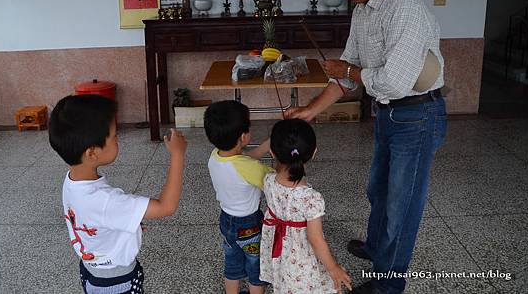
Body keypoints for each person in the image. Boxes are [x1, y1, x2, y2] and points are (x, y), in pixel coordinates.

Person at [287, 0, 448, 294]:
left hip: (417, 116)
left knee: (401, 206)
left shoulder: (404, 6)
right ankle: (376, 249)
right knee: (378, 189)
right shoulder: (362, 11)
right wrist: (311, 111)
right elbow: (349, 72)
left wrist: (347, 71)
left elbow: (388, 81)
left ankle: (388, 285)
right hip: (388, 115)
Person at [48, 94, 187, 294]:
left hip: (91, 271)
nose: (117, 139)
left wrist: (125, 229)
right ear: (92, 152)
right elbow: (167, 207)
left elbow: (94, 220)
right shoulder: (106, 201)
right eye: (114, 136)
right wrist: (177, 154)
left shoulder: (71, 181)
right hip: (117, 281)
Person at [259, 118, 352, 294]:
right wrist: (333, 268)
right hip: (300, 258)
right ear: (314, 152)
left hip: (280, 253)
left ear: (272, 152)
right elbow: (316, 239)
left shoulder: (268, 180)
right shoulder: (311, 198)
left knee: (286, 284)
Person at [204, 100, 273, 294]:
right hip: (249, 225)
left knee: (232, 263)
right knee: (255, 267)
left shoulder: (215, 156)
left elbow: (244, 160)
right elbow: (275, 182)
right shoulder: (251, 168)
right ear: (243, 136)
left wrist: (268, 143)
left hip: (226, 221)